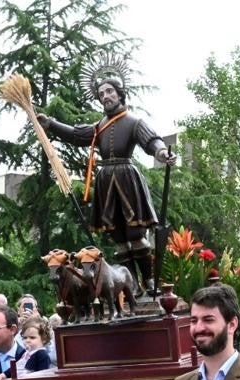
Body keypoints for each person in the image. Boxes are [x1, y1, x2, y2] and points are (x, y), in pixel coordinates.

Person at [38, 64, 175, 292]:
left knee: (135, 233)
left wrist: (162, 153)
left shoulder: (133, 122)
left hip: (127, 178)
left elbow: (152, 141)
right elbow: (75, 134)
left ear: (120, 93)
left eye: (110, 91)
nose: (105, 97)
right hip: (106, 182)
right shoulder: (98, 126)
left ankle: (149, 280)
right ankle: (132, 285)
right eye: (101, 94)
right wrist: (50, 124)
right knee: (119, 236)